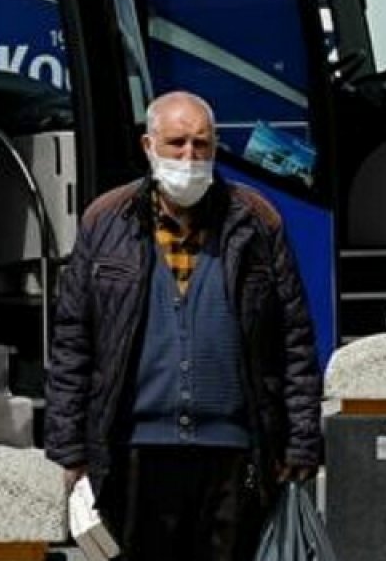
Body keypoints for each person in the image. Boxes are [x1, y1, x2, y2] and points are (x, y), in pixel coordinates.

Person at [45, 92, 323, 561]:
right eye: (176, 144)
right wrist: (69, 449)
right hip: (134, 453)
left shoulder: (256, 221)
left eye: (202, 145)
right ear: (148, 145)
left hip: (234, 453)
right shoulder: (105, 220)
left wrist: (301, 440)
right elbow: (73, 342)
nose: (190, 157)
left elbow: (294, 338)